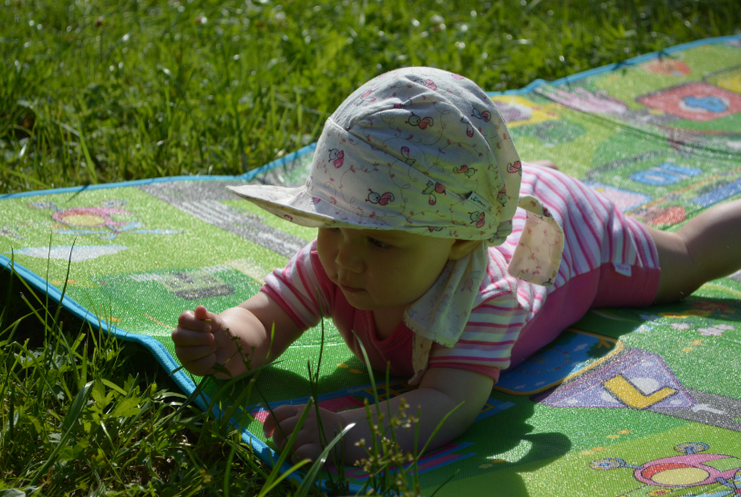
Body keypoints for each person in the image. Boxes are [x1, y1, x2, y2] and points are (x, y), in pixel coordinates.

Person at [171, 67, 741, 466]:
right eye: (332, 223)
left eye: (381, 242)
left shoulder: (480, 299)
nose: (346, 256)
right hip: (471, 199)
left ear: (460, 246)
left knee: (685, 260)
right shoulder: (333, 261)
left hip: (573, 237)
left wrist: (353, 431)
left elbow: (448, 402)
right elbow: (266, 315)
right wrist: (230, 339)